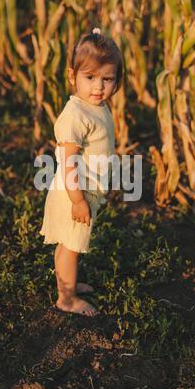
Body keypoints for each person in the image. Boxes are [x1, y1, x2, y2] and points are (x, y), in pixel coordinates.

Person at [39, 27, 124, 316]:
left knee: (68, 244)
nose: (99, 86)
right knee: (72, 246)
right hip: (75, 193)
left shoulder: (95, 107)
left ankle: (68, 284)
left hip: (85, 191)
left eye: (107, 79)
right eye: (90, 77)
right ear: (72, 75)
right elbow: (68, 162)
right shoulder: (75, 115)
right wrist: (78, 200)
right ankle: (67, 298)